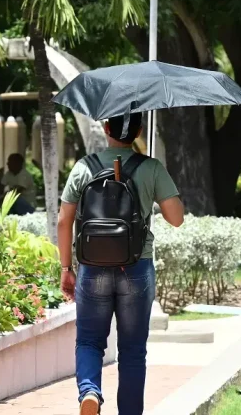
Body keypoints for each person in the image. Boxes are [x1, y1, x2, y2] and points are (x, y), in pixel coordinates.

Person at [58, 113, 185, 415]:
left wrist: (66, 268)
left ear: (106, 128)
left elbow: (64, 221)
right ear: (139, 131)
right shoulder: (150, 167)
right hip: (137, 267)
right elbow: (176, 218)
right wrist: (153, 186)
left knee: (89, 341)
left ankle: (89, 393)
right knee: (132, 350)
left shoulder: (84, 167)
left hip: (92, 268)